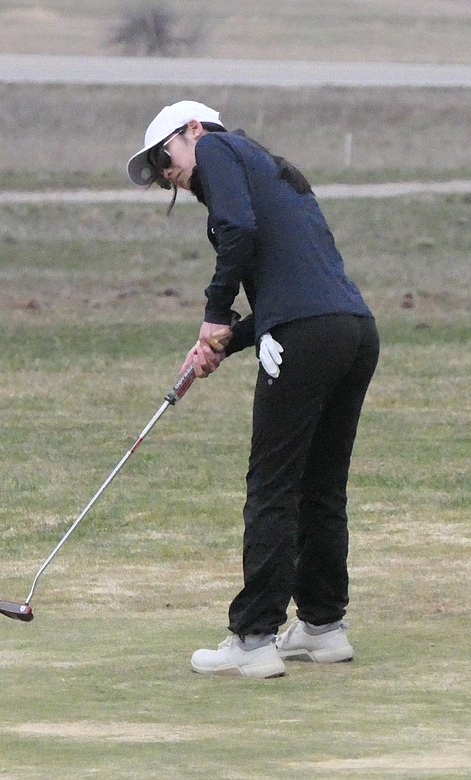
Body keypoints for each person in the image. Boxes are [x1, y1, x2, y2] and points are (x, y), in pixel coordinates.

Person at [126, 100, 380, 679]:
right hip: (352, 332)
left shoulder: (217, 150)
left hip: (306, 335)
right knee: (319, 485)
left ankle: (254, 636)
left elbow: (239, 233)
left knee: (272, 485)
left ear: (192, 131)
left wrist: (215, 314)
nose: (168, 174)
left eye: (164, 158)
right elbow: (287, 290)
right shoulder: (270, 172)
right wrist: (228, 342)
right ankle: (321, 626)